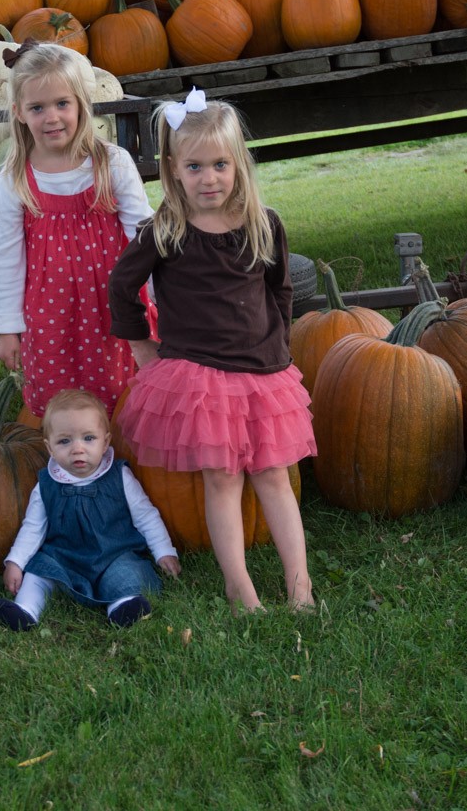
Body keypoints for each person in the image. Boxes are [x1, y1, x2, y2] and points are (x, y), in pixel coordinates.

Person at [108, 89, 316, 614]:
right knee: (221, 479)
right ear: (174, 170)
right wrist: (142, 346)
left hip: (262, 373)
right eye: (195, 167)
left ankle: (300, 587)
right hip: (200, 377)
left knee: (273, 476)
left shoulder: (263, 222)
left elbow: (280, 290)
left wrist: (280, 346)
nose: (209, 179)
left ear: (238, 163)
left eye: (220, 164)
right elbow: (121, 285)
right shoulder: (166, 231)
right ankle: (238, 585)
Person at [0, 40, 155, 418]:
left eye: (62, 104)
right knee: (58, 395)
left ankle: (123, 454)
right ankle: (70, 455)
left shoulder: (111, 163)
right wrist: (7, 328)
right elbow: (5, 258)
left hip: (115, 305)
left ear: (81, 103)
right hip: (50, 313)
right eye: (37, 108)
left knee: (124, 394)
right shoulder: (14, 179)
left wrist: (160, 295)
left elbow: (144, 236)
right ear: (18, 113)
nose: (52, 117)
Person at [0, 388, 180, 630]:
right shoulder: (47, 484)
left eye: (89, 438)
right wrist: (15, 562)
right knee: (39, 572)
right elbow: (32, 528)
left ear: (106, 442)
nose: (77, 448)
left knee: (127, 574)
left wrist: (163, 551)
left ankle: (122, 606)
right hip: (63, 557)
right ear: (49, 448)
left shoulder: (120, 476)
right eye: (64, 441)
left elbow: (146, 516)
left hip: (113, 555)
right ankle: (25, 610)